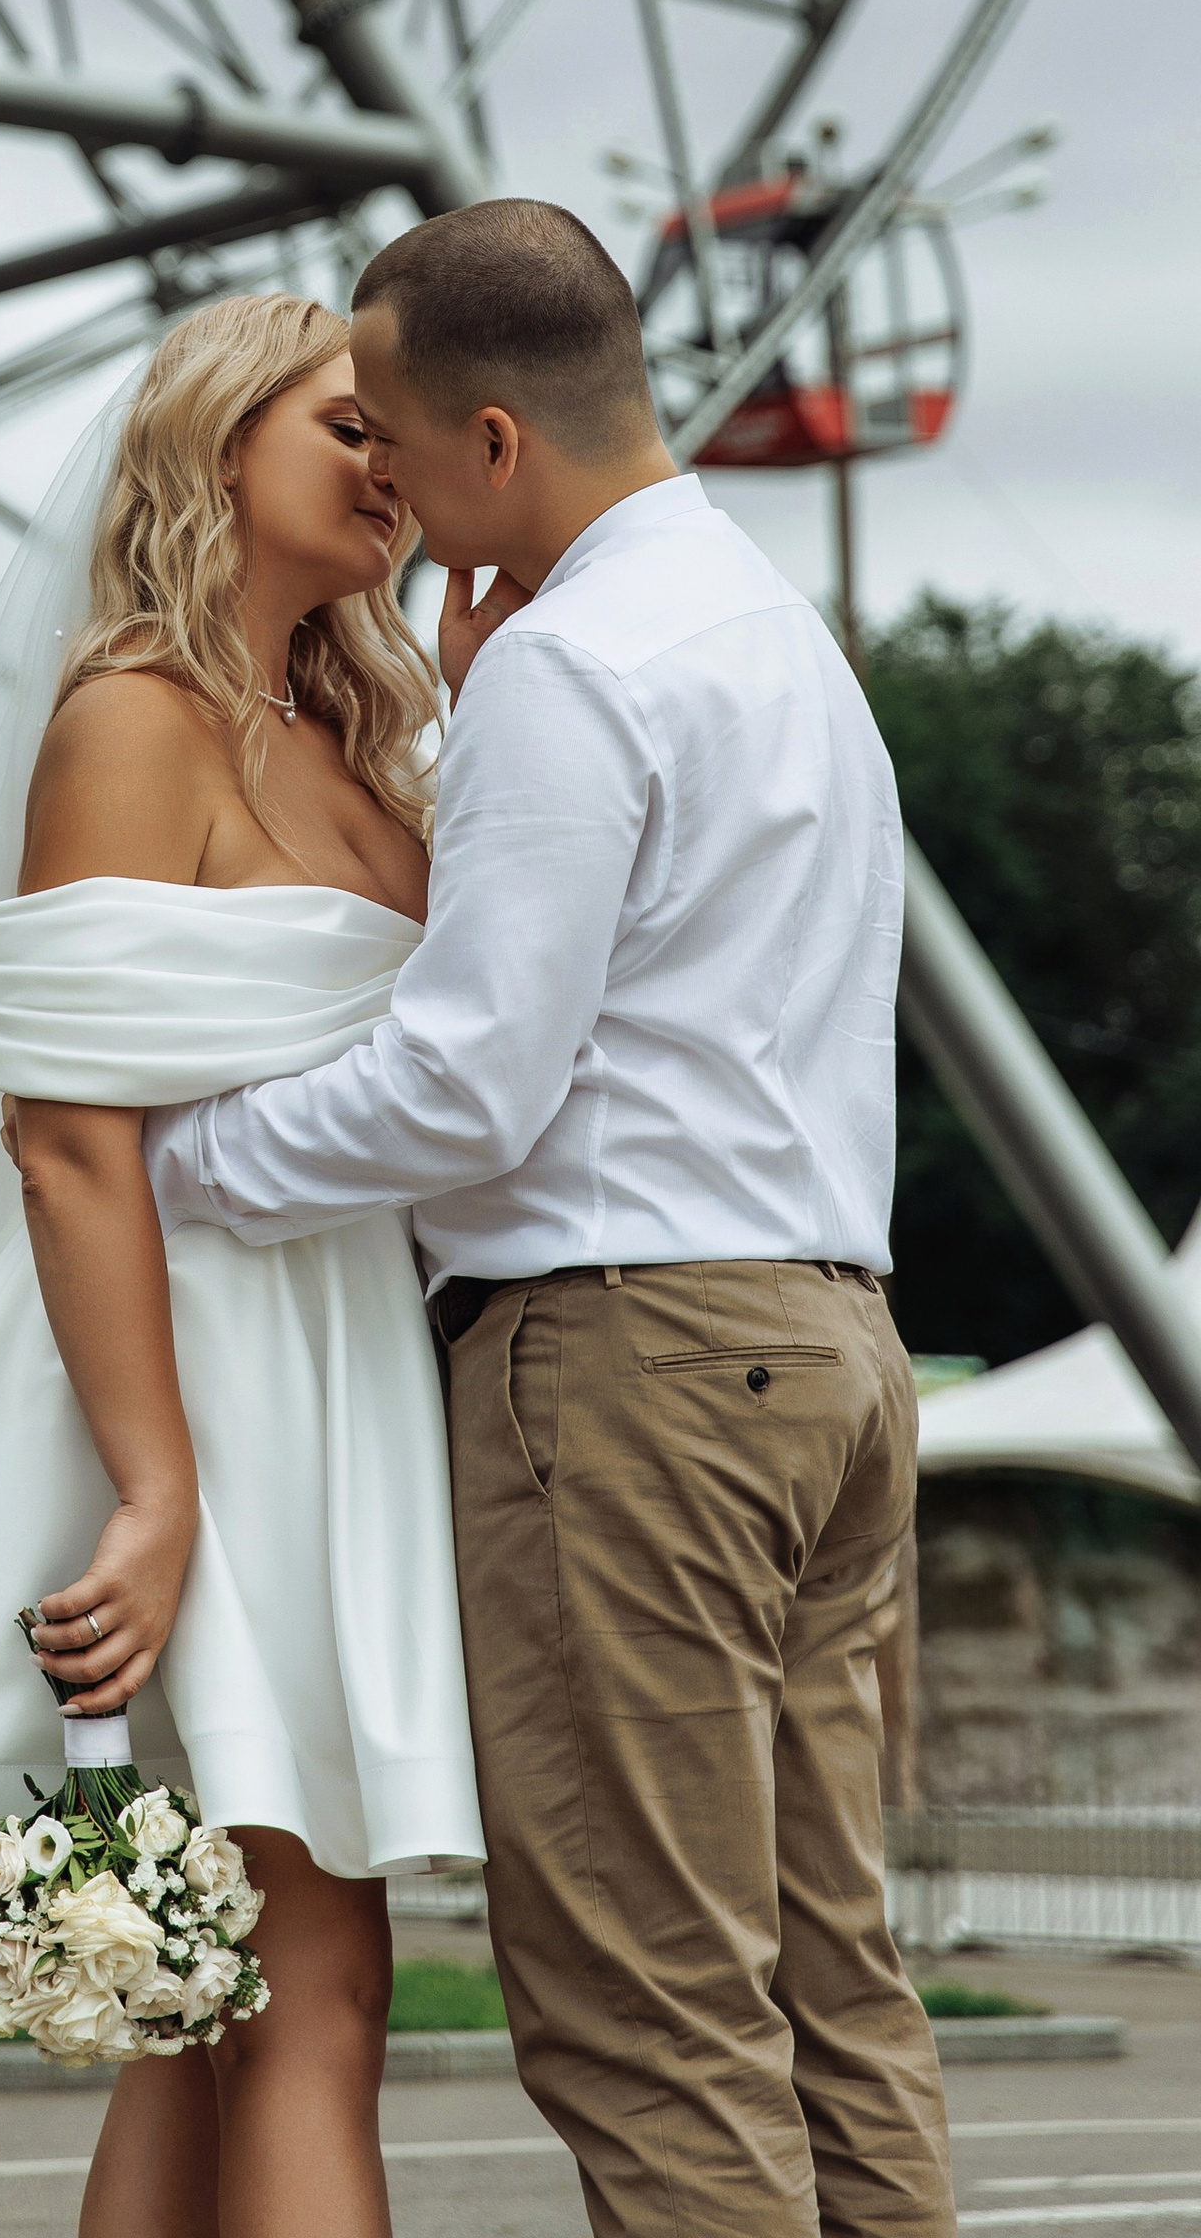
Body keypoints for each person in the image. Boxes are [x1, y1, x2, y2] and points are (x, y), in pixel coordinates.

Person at [148, 201, 955, 2238]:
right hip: (832, 1347)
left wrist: (183, 1166)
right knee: (827, 1982)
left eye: (400, 450)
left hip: (630, 1369)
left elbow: (467, 1082)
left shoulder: (569, 671)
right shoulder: (781, 645)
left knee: (645, 2014)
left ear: (494, 443)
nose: (389, 499)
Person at [0, 295, 482, 2238]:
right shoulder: (130, 715)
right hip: (189, 1372)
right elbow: (64, 1140)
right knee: (294, 1992)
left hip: (318, 1369)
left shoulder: (348, 728)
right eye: (343, 430)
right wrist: (153, 1491)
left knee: (209, 1992)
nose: (385, 471)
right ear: (215, 446)